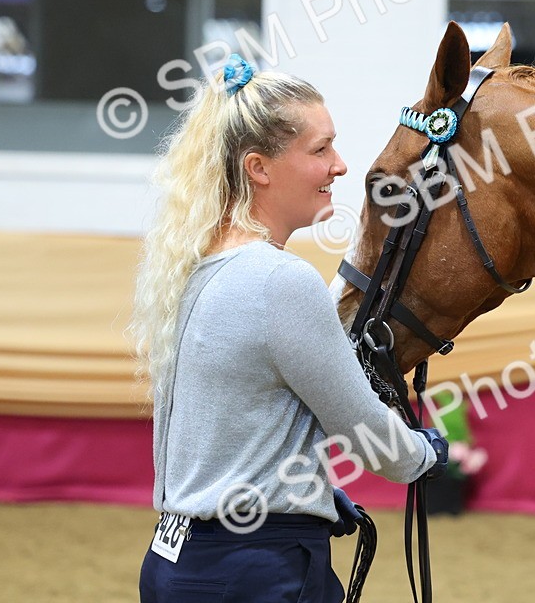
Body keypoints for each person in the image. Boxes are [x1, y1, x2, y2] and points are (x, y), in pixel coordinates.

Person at [130, 55, 446, 602]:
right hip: (255, 570)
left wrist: (305, 497)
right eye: (320, 149)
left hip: (179, 560)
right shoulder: (281, 281)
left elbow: (232, 430)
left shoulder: (190, 270)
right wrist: (426, 453)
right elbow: (368, 432)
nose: (341, 165)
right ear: (259, 167)